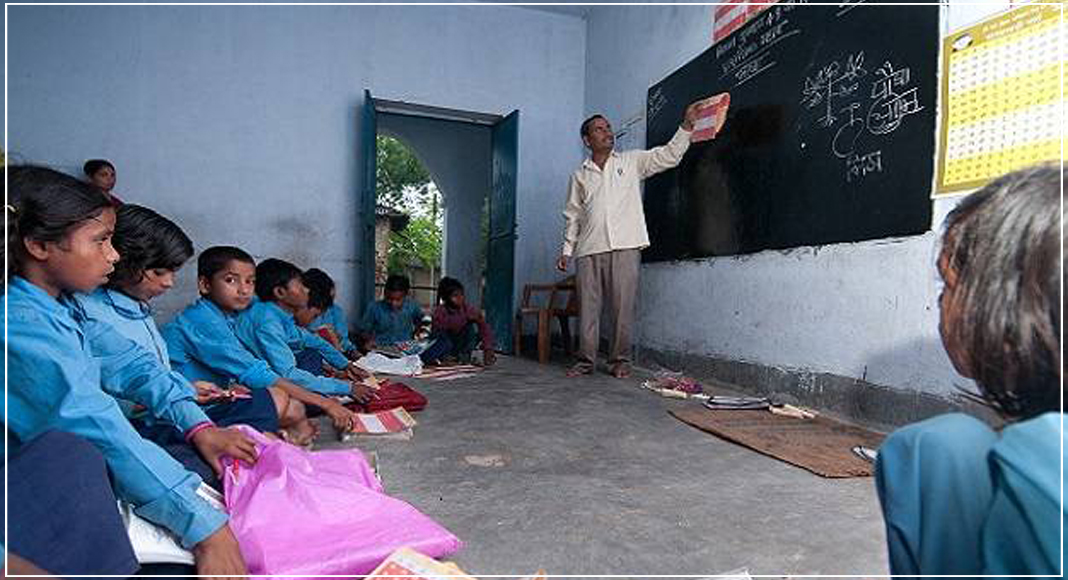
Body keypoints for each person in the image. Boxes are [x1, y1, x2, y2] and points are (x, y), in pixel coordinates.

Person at [3, 165, 251, 579]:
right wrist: (204, 526)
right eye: (100, 241)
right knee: (80, 457)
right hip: (32, 491)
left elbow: (137, 367)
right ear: (38, 245)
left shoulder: (63, 307)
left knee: (201, 463)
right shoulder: (18, 322)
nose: (113, 256)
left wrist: (199, 428)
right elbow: (91, 423)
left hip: (72, 471)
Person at [874, 164, 1064, 576]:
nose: (940, 304)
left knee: (935, 448)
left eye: (948, 286)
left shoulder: (1044, 464)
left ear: (1010, 306)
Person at [69, 204, 302, 444]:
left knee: (276, 411)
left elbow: (155, 378)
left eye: (250, 282)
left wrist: (189, 390)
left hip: (171, 410)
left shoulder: (138, 309)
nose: (169, 283)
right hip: (146, 427)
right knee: (270, 423)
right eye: (159, 272)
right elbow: (125, 399)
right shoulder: (89, 315)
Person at [557, 101, 703, 378]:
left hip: (626, 245)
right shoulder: (579, 176)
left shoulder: (631, 161)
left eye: (608, 127)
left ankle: (618, 361)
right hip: (588, 249)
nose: (607, 132)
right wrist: (567, 250)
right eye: (599, 129)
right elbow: (573, 215)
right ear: (587, 140)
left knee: (622, 307)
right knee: (588, 309)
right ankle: (586, 360)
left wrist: (686, 125)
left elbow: (669, 156)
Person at [163, 246, 366, 437]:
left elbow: (308, 340)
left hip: (213, 398)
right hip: (182, 412)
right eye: (231, 280)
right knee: (282, 400)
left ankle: (282, 435)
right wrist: (328, 402)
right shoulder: (205, 321)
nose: (244, 290)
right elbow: (259, 374)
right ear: (205, 285)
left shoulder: (236, 313)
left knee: (290, 400)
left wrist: (343, 366)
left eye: (250, 281)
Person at [234, 258, 375, 404]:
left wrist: (345, 365)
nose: (307, 290)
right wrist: (347, 388)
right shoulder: (266, 322)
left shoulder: (278, 315)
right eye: (300, 285)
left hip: (272, 375)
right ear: (280, 292)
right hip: (246, 384)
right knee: (313, 400)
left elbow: (313, 341)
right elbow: (288, 374)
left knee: (311, 355)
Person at [425, 276, 496, 366]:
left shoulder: (468, 309)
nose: (460, 298)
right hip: (445, 345)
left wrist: (488, 348)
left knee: (470, 329)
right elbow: (439, 333)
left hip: (460, 344)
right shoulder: (440, 312)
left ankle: (463, 356)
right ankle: (445, 357)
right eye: (455, 296)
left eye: (461, 294)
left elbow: (484, 328)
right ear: (446, 298)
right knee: (441, 337)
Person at [303, 267, 359, 358]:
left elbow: (344, 342)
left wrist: (352, 352)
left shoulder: (336, 311)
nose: (328, 303)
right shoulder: (293, 319)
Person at [361, 274, 427, 348]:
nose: (393, 303)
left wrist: (416, 334)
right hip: (381, 346)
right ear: (385, 293)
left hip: (404, 347)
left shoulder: (413, 306)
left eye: (398, 300)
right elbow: (364, 331)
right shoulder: (373, 308)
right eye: (389, 298)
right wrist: (370, 340)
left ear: (406, 295)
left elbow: (419, 321)